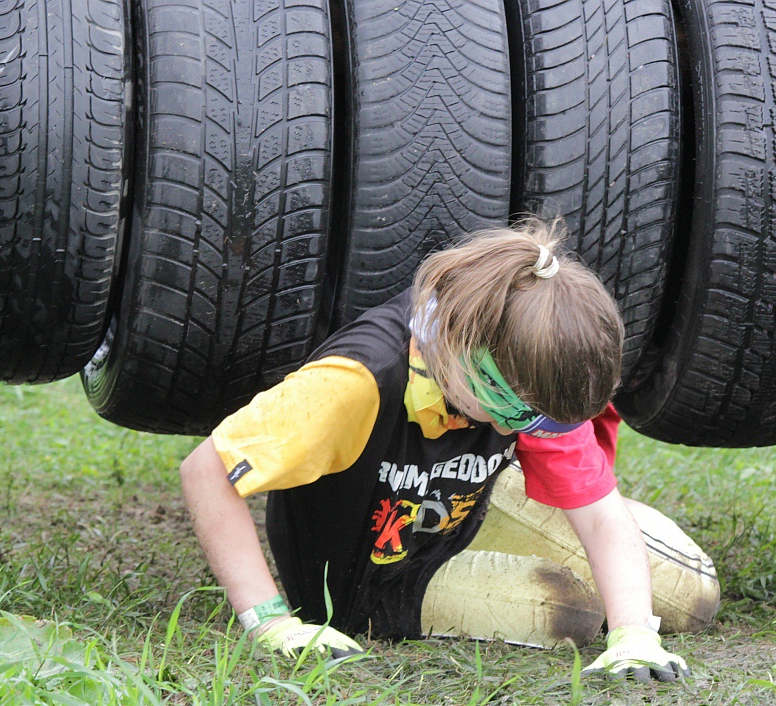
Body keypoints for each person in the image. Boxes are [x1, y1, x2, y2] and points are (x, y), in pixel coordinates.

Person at [180, 218, 711, 681]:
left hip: (459, 513)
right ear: (473, 364)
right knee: (568, 610)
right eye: (530, 416)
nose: (542, 429)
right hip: (368, 573)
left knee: (692, 591)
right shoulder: (357, 381)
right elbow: (207, 469)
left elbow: (600, 520)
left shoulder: (525, 370)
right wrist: (268, 619)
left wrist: (635, 634)